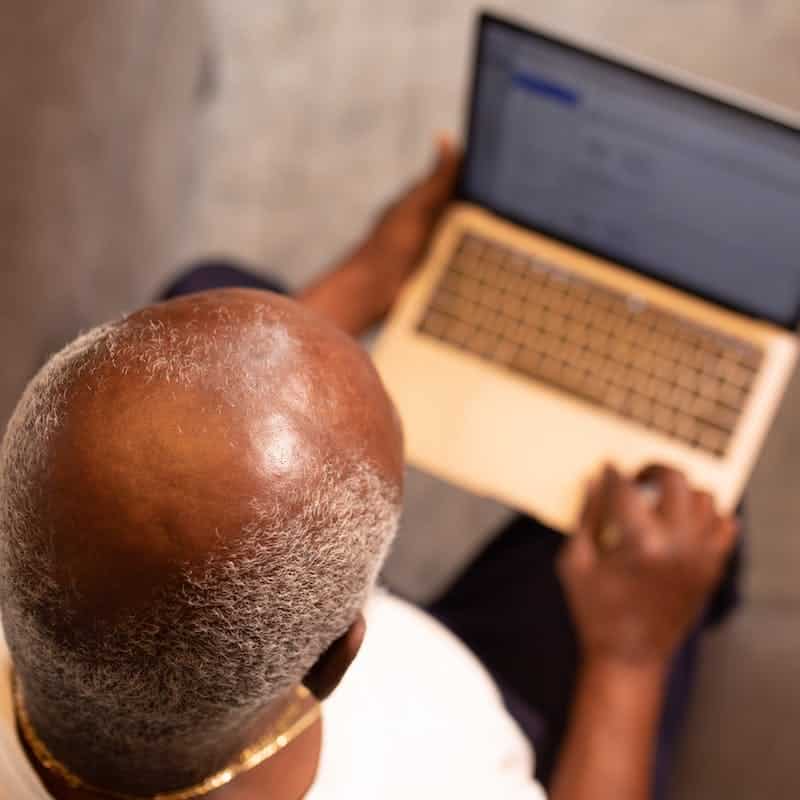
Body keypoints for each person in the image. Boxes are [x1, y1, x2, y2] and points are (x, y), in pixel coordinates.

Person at [0, 138, 738, 800]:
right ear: (332, 664)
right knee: (682, 512)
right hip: (485, 685)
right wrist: (630, 657)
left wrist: (365, 279)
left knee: (210, 285)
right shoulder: (452, 777)